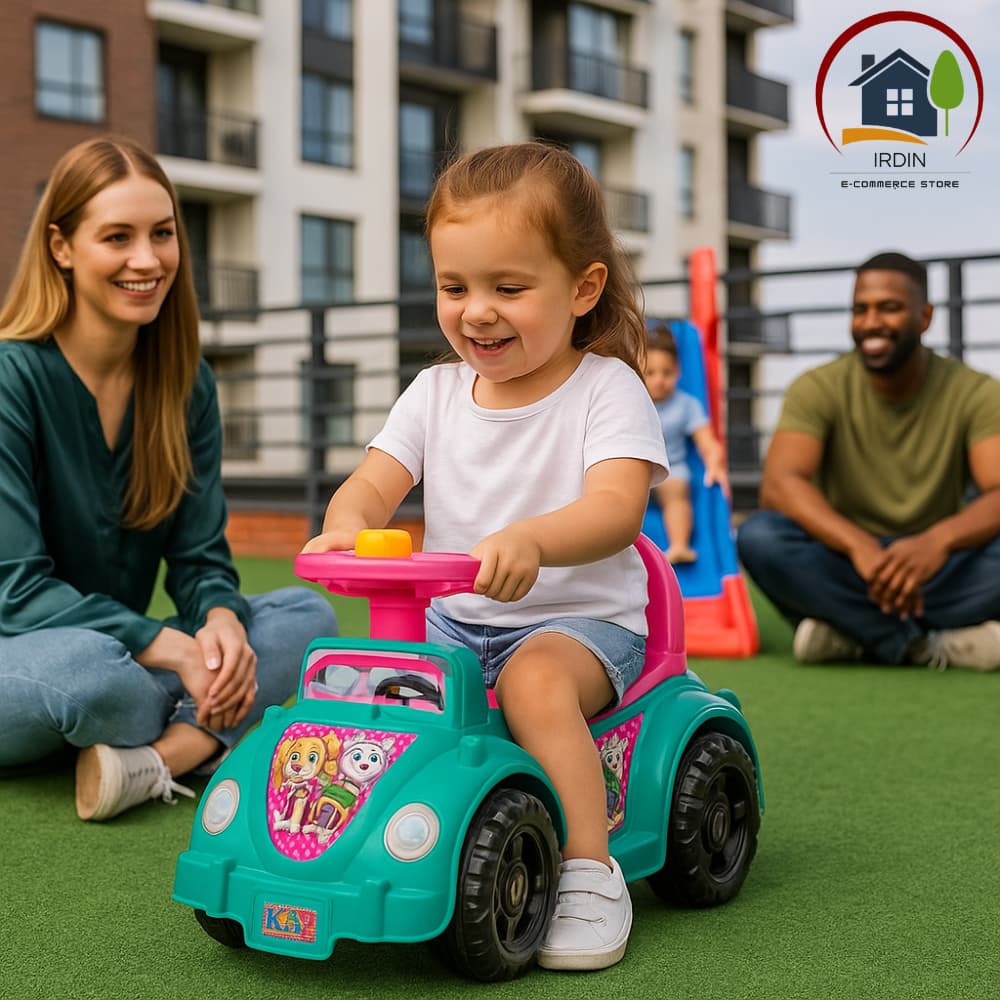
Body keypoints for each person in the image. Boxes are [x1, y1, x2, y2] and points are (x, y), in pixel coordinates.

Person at [302, 142, 667, 970]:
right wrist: (346, 526)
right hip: (456, 624)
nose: (476, 312)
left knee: (535, 684)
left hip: (581, 627)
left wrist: (535, 540)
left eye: (508, 288)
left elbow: (618, 511)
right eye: (453, 287)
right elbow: (369, 488)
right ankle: (352, 843)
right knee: (365, 687)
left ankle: (586, 869)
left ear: (583, 288)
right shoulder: (433, 393)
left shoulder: (605, 389)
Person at [0, 135, 338, 821]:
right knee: (91, 674)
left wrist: (217, 620)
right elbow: (14, 589)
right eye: (117, 237)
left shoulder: (186, 387)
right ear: (62, 247)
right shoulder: (12, 377)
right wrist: (170, 649)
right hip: (36, 660)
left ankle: (158, 759)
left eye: (162, 234)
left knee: (308, 619)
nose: (147, 260)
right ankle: (201, 731)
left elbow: (200, 560)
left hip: (127, 649)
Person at [737, 251, 1000, 671]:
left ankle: (852, 633)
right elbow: (781, 484)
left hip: (938, 565)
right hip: (849, 561)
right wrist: (858, 545)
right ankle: (925, 644)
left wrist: (938, 542)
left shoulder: (977, 392)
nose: (871, 322)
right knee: (761, 537)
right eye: (861, 309)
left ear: (925, 316)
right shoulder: (817, 387)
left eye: (890, 308)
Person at [643, 325, 729, 563]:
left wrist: (714, 463)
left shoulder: (686, 405)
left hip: (672, 466)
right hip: (639, 466)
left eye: (667, 373)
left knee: (677, 494)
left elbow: (707, 441)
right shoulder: (632, 399)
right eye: (650, 373)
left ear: (678, 372)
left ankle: (679, 546)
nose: (659, 380)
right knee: (621, 492)